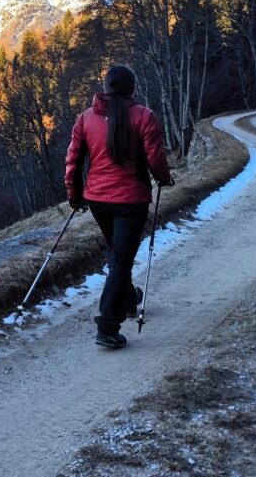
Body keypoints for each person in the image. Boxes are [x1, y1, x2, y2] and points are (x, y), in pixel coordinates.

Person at [65, 65, 173, 349]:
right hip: (131, 200)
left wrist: (75, 195)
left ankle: (127, 300)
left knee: (118, 255)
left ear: (106, 87)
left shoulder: (86, 119)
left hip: (98, 200)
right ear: (131, 89)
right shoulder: (144, 117)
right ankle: (108, 327)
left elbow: (73, 162)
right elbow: (155, 158)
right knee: (121, 259)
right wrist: (164, 178)